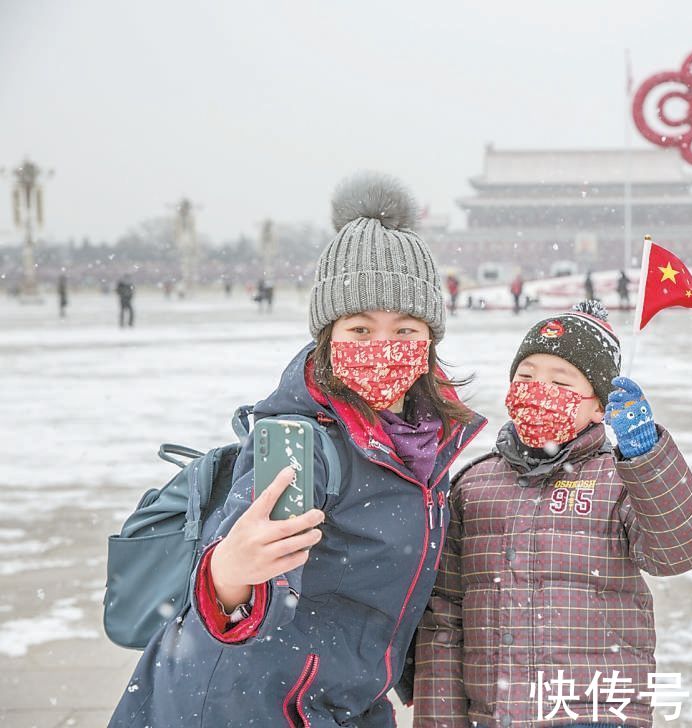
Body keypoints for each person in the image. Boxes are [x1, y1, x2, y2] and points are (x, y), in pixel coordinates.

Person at [109, 173, 486, 728]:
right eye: (360, 330)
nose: (383, 348)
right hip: (242, 705)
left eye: (406, 330)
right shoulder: (301, 442)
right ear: (327, 339)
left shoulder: (426, 445)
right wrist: (228, 575)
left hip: (344, 701)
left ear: (430, 340)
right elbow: (238, 579)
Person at [413, 301, 692, 728]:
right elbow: (444, 619)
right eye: (526, 376)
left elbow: (681, 549)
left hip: (596, 714)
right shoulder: (473, 485)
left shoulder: (621, 477)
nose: (538, 390)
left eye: (560, 380)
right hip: (496, 716)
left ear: (600, 406)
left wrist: (647, 456)